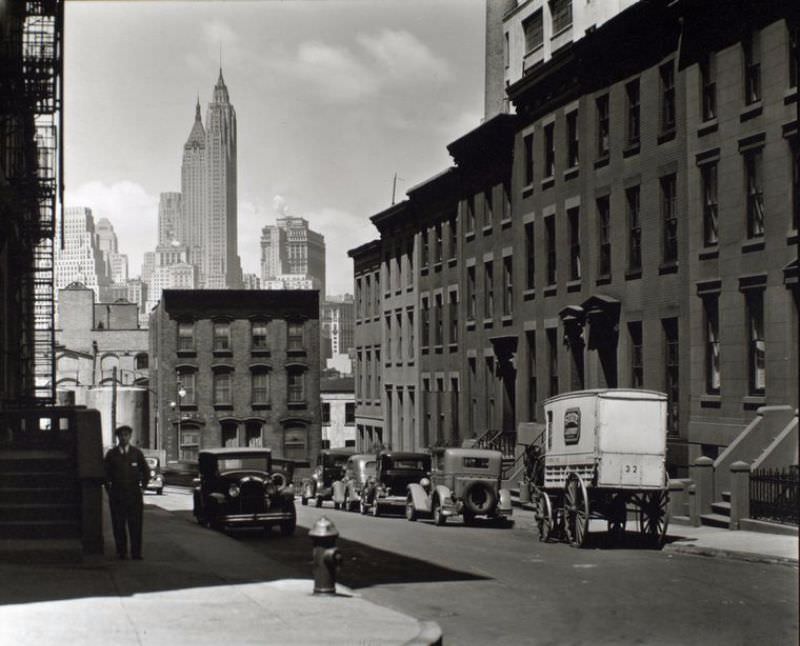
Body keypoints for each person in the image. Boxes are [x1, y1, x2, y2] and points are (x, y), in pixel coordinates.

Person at [104, 425, 148, 560]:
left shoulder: (136, 453)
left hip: (134, 495)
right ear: (118, 437)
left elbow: (145, 471)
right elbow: (105, 474)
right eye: (121, 435)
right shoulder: (111, 454)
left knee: (136, 525)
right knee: (118, 525)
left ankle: (136, 552)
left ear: (130, 436)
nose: (124, 438)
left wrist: (143, 487)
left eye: (126, 435)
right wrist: (109, 490)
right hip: (117, 494)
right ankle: (121, 552)